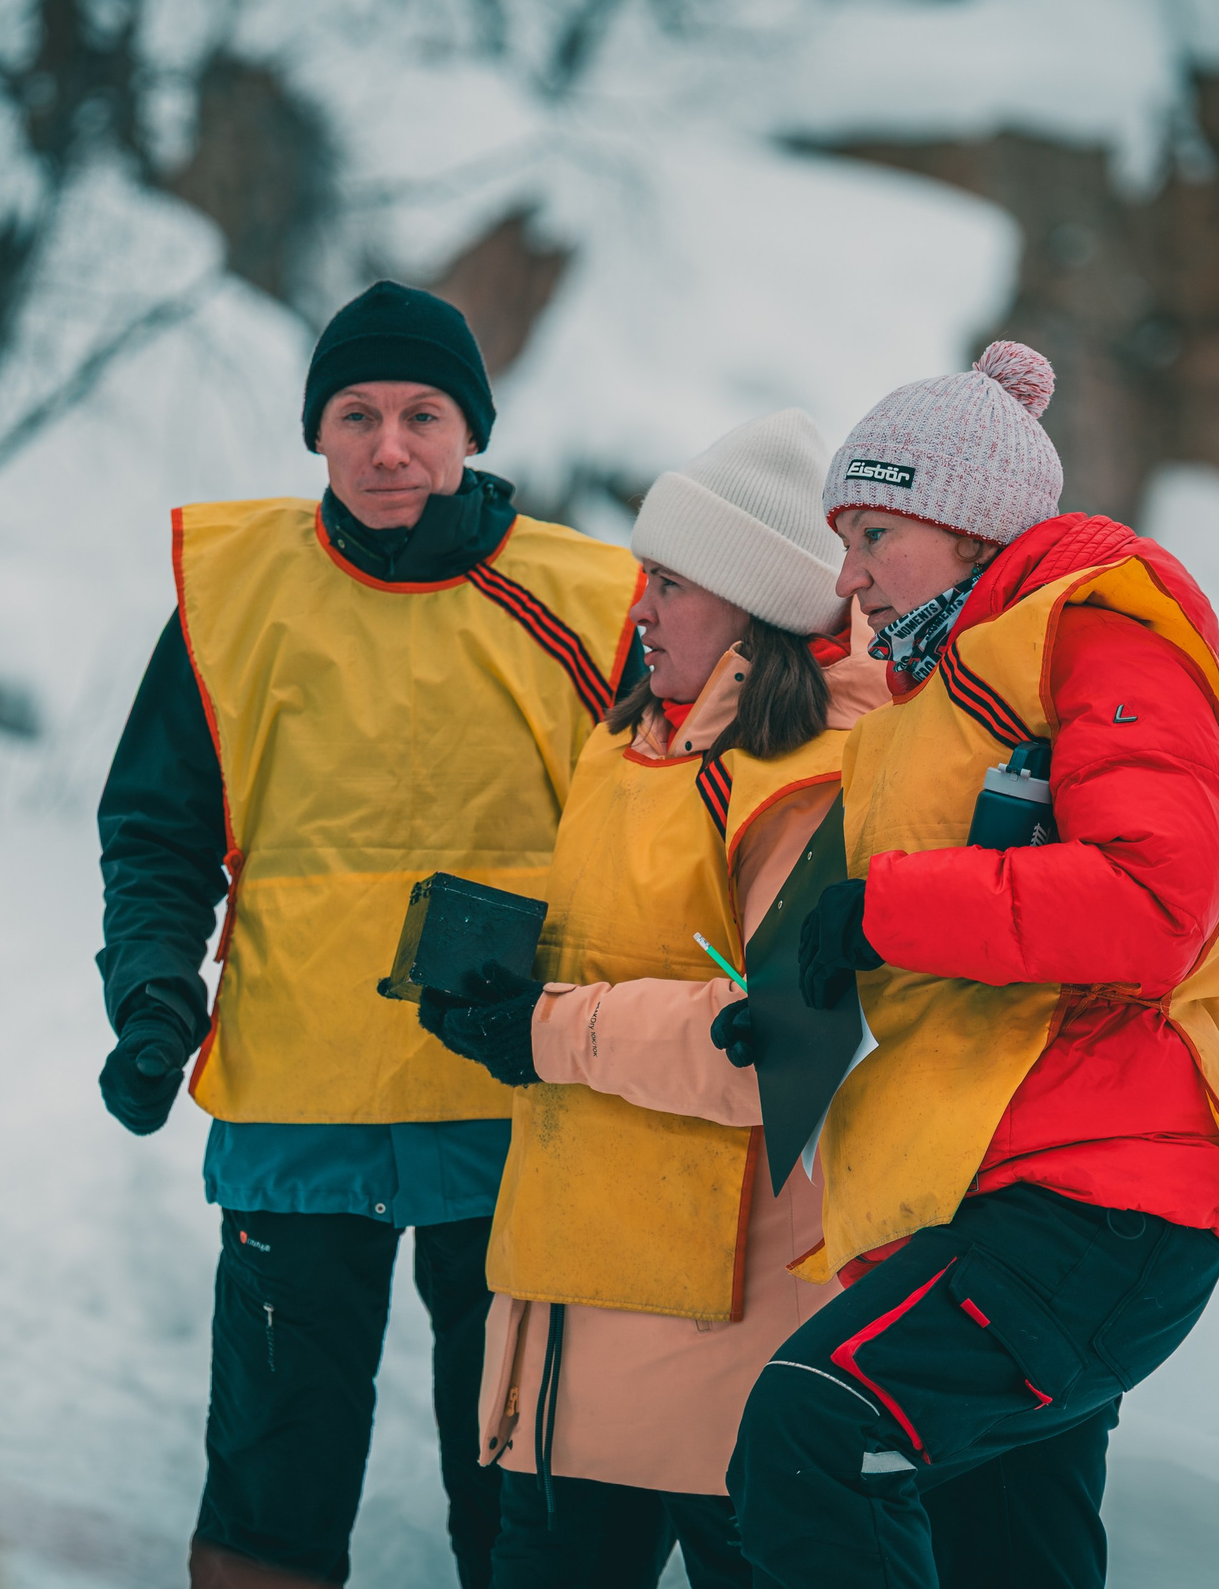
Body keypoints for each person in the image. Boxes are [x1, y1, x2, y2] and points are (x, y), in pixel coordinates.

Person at [725, 343, 1219, 1589]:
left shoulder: (1096, 633)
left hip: (1097, 1198)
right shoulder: (939, 693)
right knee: (1007, 1550)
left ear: (969, 523)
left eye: (873, 532)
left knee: (814, 1426)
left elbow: (1156, 904)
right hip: (996, 1191)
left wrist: (884, 909)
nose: (851, 576)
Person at [94, 281, 644, 1589]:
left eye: (421, 412)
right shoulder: (236, 598)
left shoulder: (594, 595)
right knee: (272, 1478)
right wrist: (154, 990)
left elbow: (674, 826)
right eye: (356, 413)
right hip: (301, 1102)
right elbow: (160, 827)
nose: (389, 444)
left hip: (518, 1097)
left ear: (472, 427)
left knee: (512, 1478)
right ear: (317, 432)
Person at [415, 410, 884, 1589]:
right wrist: (506, 986)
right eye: (645, 580)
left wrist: (541, 1029)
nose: (639, 611)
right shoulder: (630, 740)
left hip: (727, 1332)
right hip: (569, 1313)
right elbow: (639, 950)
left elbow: (774, 1050)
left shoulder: (810, 782)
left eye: (671, 584)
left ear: (753, 604)